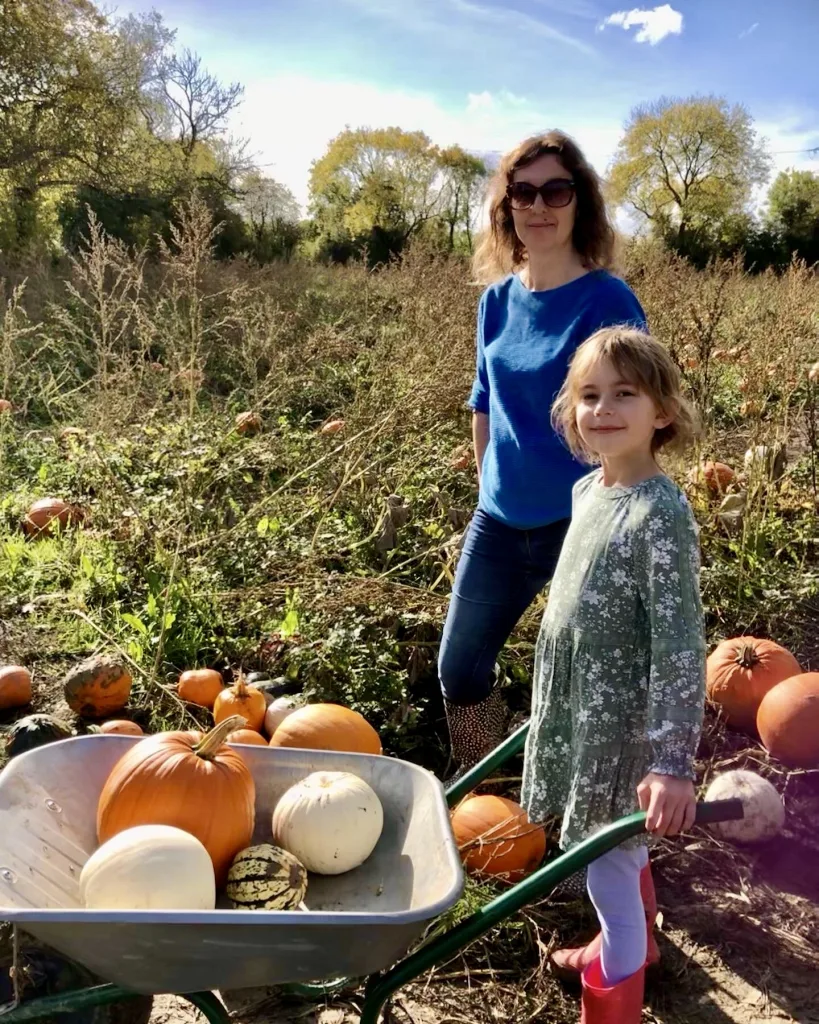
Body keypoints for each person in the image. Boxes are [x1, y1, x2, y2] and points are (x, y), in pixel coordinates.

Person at [439, 130, 646, 775]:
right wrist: (486, 487)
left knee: (580, 682)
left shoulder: (606, 300)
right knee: (460, 666)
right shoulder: (495, 300)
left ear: (579, 201)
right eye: (521, 192)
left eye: (556, 190)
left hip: (579, 521)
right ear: (506, 209)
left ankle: (566, 821)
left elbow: (635, 410)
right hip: (499, 522)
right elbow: (484, 400)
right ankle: (485, 787)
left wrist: (620, 520)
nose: (539, 205)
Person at [521, 326, 706, 1023]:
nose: (602, 409)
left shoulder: (660, 514)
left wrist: (669, 760)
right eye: (588, 395)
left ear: (660, 412)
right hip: (579, 706)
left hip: (621, 726)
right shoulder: (586, 490)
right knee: (619, 859)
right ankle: (631, 945)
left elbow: (679, 642)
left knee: (608, 865)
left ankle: (616, 996)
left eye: (623, 394)